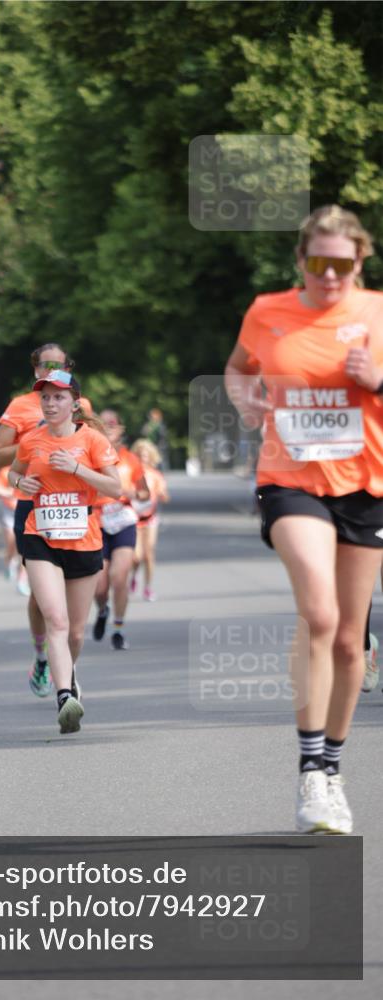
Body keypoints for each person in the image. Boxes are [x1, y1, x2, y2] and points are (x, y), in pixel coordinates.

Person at [224, 204, 383, 835]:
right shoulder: (268, 312)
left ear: (359, 262)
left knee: (350, 640)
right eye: (318, 263)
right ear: (300, 262)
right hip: (291, 479)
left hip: (367, 484)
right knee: (319, 614)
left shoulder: (377, 313)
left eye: (343, 265)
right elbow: (238, 369)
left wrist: (378, 379)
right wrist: (245, 401)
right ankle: (310, 770)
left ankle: (333, 772)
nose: (330, 276)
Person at [8, 369, 120, 733]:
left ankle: (69, 676)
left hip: (83, 537)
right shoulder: (31, 440)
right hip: (39, 534)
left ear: (75, 404)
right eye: (45, 397)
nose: (51, 403)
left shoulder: (93, 440)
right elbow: (13, 472)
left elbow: (115, 488)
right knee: (55, 620)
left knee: (74, 632)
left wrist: (76, 468)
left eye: (58, 397)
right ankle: (64, 698)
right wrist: (20, 481)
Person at [0, 343, 92, 697]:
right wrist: (34, 440)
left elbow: (99, 450)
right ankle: (41, 655)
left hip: (77, 511)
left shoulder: (81, 404)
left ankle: (66, 667)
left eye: (57, 365)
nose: (49, 369)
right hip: (33, 507)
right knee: (40, 595)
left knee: (73, 611)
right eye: (44, 364)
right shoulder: (21, 406)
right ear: (34, 368)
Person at [91, 410, 149, 650]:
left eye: (113, 424)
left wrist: (132, 493)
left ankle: (118, 628)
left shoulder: (130, 459)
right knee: (100, 585)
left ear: (121, 429)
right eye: (104, 425)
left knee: (119, 576)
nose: (109, 428)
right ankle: (103, 610)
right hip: (96, 522)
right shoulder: (89, 456)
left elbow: (145, 492)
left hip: (123, 520)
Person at [129, 438, 170, 601]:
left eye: (146, 455)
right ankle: (134, 576)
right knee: (137, 556)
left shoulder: (156, 475)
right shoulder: (132, 474)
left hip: (151, 518)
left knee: (149, 554)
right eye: (140, 455)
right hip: (133, 518)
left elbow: (164, 494)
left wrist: (163, 496)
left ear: (151, 457)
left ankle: (147, 588)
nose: (143, 458)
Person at [0, 465, 31, 595]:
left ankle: (22, 578)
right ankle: (9, 561)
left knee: (25, 549)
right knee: (11, 542)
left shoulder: (31, 468)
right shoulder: (5, 472)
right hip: (9, 512)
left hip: (26, 513)